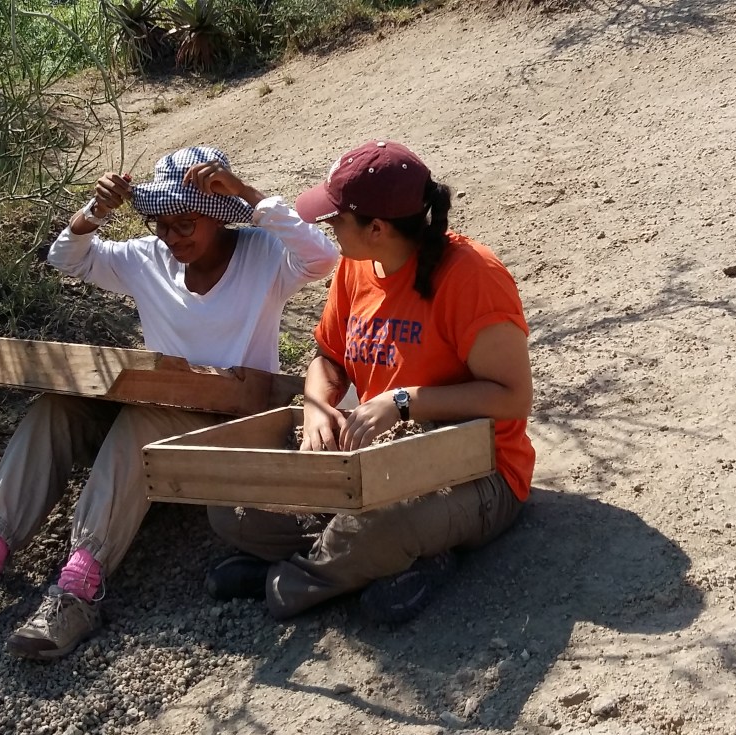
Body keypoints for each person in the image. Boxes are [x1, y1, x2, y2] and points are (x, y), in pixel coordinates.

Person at [0, 146, 339, 659]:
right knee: (55, 410)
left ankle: (77, 591)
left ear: (219, 218)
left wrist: (245, 193)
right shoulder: (148, 259)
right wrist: (94, 212)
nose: (172, 238)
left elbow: (322, 257)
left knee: (139, 419)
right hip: (161, 399)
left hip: (227, 416)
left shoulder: (264, 255)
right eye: (161, 224)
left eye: (185, 223)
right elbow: (65, 258)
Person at [206, 140, 535, 624]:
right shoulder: (356, 265)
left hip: (477, 469)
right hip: (374, 459)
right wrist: (319, 407)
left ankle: (286, 582)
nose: (326, 226)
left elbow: (513, 397)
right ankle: (386, 561)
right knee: (231, 509)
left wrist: (403, 402)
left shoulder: (472, 277)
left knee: (378, 528)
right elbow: (328, 357)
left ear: (376, 228)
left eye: (336, 219)